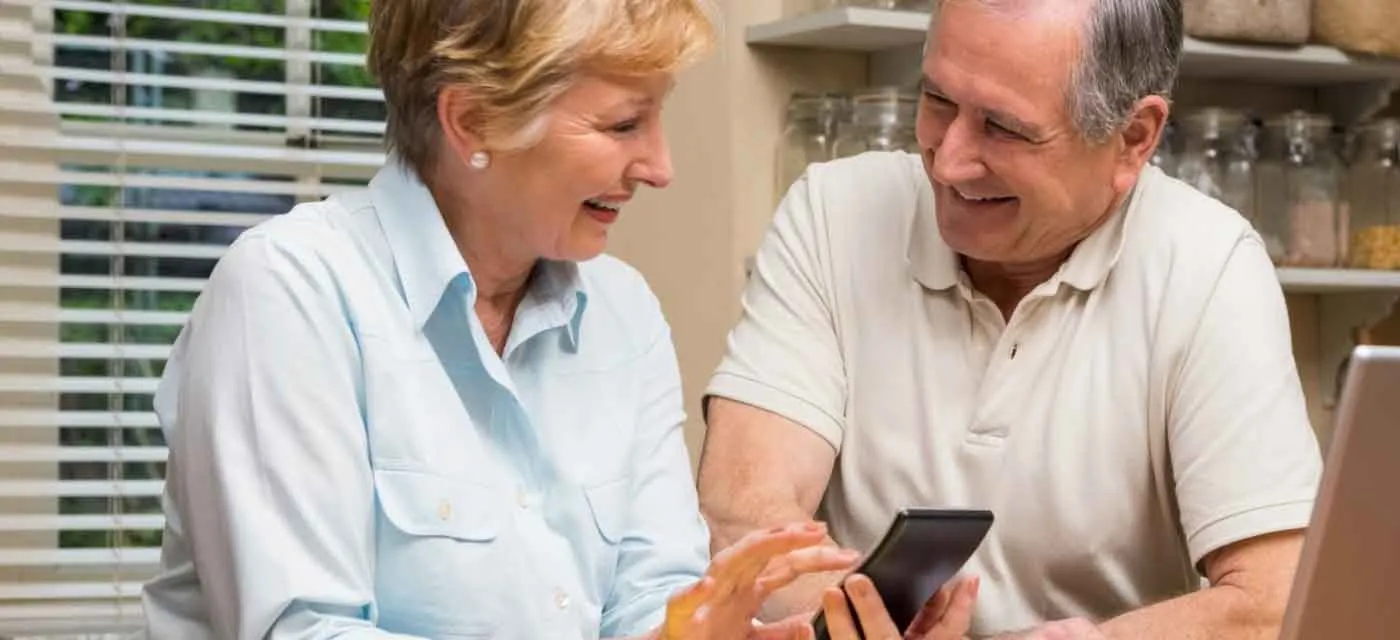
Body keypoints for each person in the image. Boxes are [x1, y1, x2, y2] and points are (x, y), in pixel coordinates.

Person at [139, 1, 977, 638]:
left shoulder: (622, 314)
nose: (660, 166)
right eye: (622, 124)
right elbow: (303, 631)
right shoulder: (291, 292)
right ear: (472, 121)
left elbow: (658, 607)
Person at [696, 0, 1323, 637]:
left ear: (1133, 139)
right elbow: (743, 511)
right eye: (937, 100)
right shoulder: (833, 213)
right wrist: (862, 623)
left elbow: (1274, 599)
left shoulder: (1209, 264)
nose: (948, 161)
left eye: (1003, 128)